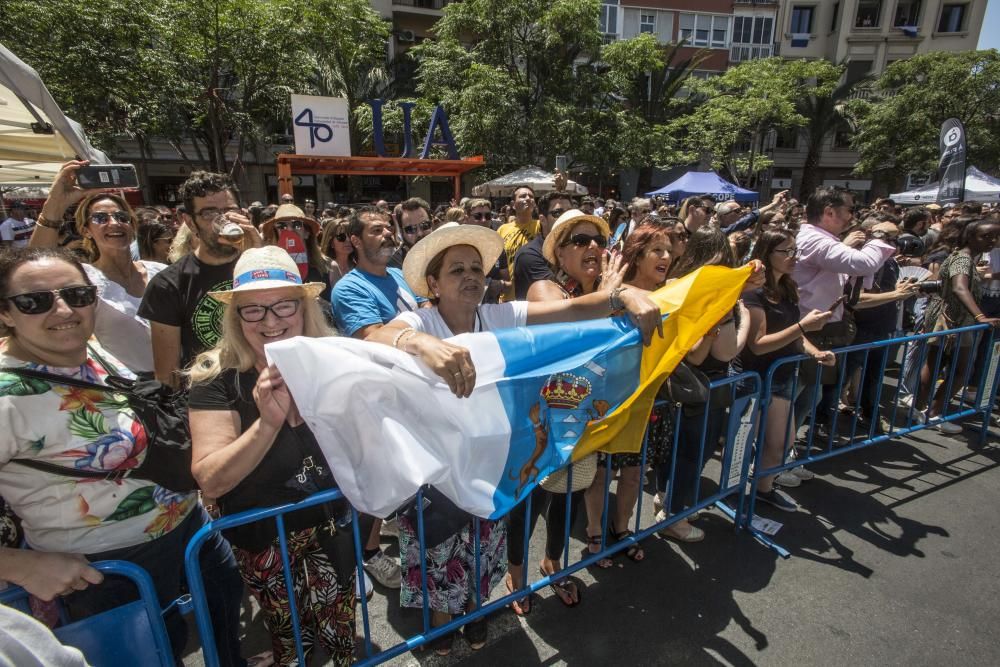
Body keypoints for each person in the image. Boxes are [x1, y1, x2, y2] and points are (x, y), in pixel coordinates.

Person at [368, 222, 660, 630]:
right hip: (436, 472)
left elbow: (572, 310)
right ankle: (439, 623)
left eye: (476, 268)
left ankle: (473, 612)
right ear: (433, 283)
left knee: (483, 542)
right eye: (457, 270)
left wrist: (622, 294)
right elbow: (376, 340)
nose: (471, 276)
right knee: (437, 547)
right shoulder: (419, 322)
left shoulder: (498, 315)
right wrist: (418, 343)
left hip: (490, 464)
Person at [0, 247, 245, 666]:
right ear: (6, 313)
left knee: (223, 631)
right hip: (103, 571)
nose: (63, 309)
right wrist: (20, 565)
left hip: (190, 533)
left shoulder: (88, 348)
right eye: (34, 301)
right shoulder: (6, 397)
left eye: (77, 295)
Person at [188, 247, 357, 665]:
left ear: (304, 309)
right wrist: (267, 422)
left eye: (284, 306)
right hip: (263, 538)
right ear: (236, 317)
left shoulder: (335, 360)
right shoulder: (216, 377)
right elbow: (210, 479)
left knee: (342, 629)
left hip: (331, 523)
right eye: (253, 310)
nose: (270, 321)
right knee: (289, 632)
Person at [329, 206, 411, 589]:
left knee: (399, 478)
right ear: (355, 242)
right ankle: (369, 552)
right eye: (376, 230)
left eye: (388, 229)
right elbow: (371, 338)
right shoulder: (349, 287)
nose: (387, 235)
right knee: (376, 481)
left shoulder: (399, 275)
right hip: (376, 403)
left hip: (409, 399)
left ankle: (390, 522)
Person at [138, 171, 261, 387]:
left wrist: (260, 254)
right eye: (209, 213)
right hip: (212, 400)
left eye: (230, 211)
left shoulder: (259, 266)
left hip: (268, 387)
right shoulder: (168, 285)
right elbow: (168, 375)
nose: (222, 220)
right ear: (190, 222)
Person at [792, 187, 896, 436]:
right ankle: (765, 458)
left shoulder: (825, 240)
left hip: (819, 330)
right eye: (850, 209)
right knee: (792, 397)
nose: (853, 217)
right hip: (805, 332)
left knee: (809, 396)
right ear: (829, 211)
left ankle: (782, 453)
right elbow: (864, 263)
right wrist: (880, 236)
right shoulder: (816, 240)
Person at [744, 230, 835, 511]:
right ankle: (733, 496)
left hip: (782, 375)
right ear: (766, 254)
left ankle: (764, 489)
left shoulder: (787, 288)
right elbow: (757, 345)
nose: (794, 257)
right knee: (746, 446)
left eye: (795, 250)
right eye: (786, 252)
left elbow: (794, 333)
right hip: (755, 378)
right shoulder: (753, 293)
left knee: (780, 444)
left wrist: (814, 351)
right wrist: (804, 327)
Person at [916, 218, 1000, 431]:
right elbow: (959, 288)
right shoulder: (962, 259)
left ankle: (920, 410)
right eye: (986, 236)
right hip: (953, 319)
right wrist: (980, 316)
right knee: (960, 370)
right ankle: (932, 413)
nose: (991, 241)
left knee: (937, 364)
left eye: (995, 236)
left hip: (952, 318)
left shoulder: (968, 257)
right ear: (971, 236)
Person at [512, 190, 573, 300]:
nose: (566, 218)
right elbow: (562, 298)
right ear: (543, 220)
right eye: (558, 213)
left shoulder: (574, 247)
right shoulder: (529, 255)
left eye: (569, 212)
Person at [497, 186, 540, 298]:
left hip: (534, 295)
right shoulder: (502, 229)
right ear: (513, 204)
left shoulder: (541, 226)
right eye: (522, 196)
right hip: (507, 297)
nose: (528, 198)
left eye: (531, 196)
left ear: (534, 204)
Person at [388, 197, 433, 269]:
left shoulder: (446, 252)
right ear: (401, 231)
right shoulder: (395, 265)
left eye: (425, 225)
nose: (420, 233)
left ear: (432, 223)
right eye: (410, 229)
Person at [319, 217, 355, 295]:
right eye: (341, 237)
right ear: (331, 242)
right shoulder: (323, 269)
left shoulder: (359, 265)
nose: (348, 240)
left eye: (350, 236)